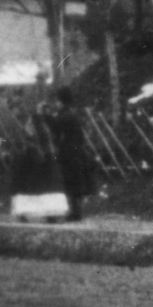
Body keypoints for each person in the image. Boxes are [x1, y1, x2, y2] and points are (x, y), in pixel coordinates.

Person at [42, 87, 93, 222]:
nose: (56, 104)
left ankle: (75, 212)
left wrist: (46, 116)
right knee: (73, 181)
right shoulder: (69, 113)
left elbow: (56, 126)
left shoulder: (66, 115)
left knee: (71, 181)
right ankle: (75, 212)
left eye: (57, 101)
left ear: (62, 101)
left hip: (71, 151)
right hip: (73, 150)